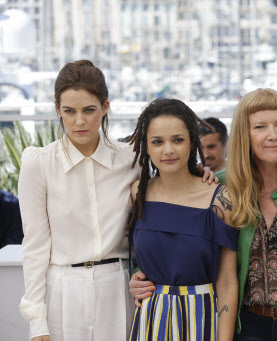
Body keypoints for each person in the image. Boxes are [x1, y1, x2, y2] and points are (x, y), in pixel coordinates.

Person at [17, 60, 217, 341]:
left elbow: (169, 180)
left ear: (105, 107)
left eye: (89, 110)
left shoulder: (130, 158)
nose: (79, 121)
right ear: (57, 111)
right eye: (69, 111)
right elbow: (35, 245)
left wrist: (201, 172)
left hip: (119, 288)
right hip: (62, 292)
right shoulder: (38, 163)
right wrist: (37, 322)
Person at [130, 88, 277, 341]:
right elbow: (172, 235)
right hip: (245, 327)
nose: (273, 135)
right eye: (259, 127)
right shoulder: (221, 188)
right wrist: (140, 273)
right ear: (243, 135)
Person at [126, 98, 238, 341]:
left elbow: (228, 282)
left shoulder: (221, 200)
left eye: (177, 140)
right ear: (146, 147)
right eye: (157, 142)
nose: (168, 150)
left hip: (202, 318)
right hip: (150, 318)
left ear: (192, 143)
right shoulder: (138, 193)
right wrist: (134, 277)